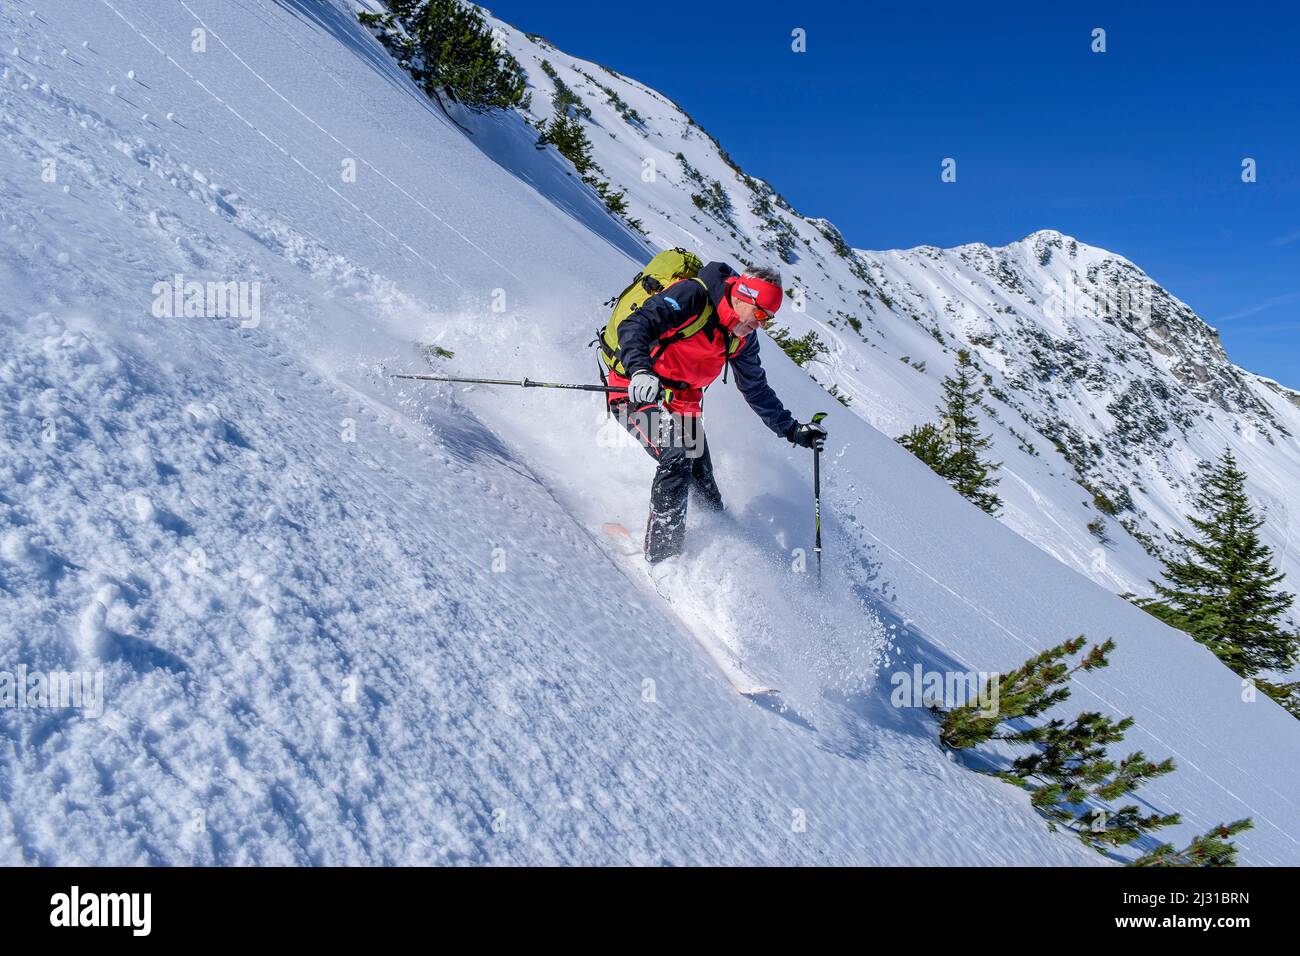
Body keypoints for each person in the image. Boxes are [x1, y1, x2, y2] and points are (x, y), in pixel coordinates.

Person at [606, 261, 827, 562]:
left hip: (683, 402)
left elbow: (756, 388)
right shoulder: (693, 297)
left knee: (703, 482)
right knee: (677, 454)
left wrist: (791, 429)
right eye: (761, 314)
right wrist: (641, 371)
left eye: (769, 319)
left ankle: (718, 546)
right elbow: (636, 325)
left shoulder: (743, 337)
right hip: (634, 389)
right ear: (743, 296)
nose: (761, 324)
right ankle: (663, 558)